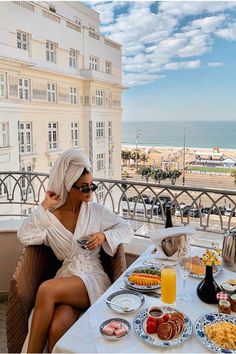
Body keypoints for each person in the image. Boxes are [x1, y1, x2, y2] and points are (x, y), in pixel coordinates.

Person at [17, 148, 134, 353]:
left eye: (92, 186)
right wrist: (44, 206)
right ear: (69, 187)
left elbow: (126, 228)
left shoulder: (95, 211)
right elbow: (24, 235)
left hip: (92, 276)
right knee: (57, 327)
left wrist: (104, 236)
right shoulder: (50, 219)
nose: (90, 192)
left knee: (45, 289)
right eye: (84, 188)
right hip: (67, 277)